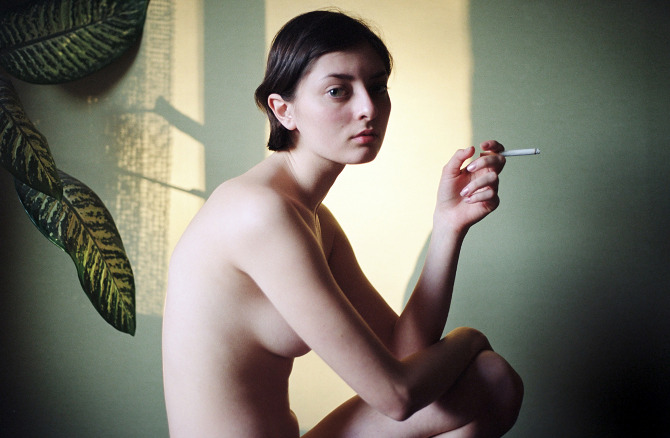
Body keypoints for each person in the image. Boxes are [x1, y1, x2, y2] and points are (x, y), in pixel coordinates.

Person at [162, 9, 523, 438]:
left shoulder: (313, 219)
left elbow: (404, 352)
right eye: (338, 91)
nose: (368, 108)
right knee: (488, 373)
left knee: (492, 381)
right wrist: (470, 337)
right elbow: (396, 396)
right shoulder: (258, 213)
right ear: (283, 110)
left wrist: (448, 225)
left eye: (377, 87)